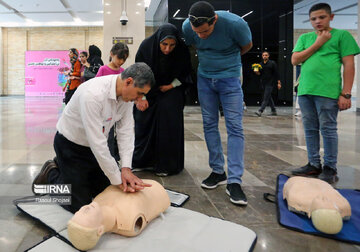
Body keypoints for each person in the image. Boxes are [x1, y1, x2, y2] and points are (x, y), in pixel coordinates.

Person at [32, 63, 155, 213]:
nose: (140, 98)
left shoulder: (127, 96)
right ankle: (51, 173)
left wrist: (126, 168)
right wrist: (117, 179)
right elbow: (98, 143)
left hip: (94, 149)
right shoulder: (93, 95)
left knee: (105, 193)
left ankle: (73, 174)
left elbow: (126, 131)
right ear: (128, 81)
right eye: (140, 93)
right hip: (70, 147)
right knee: (79, 205)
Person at [182, 1, 252, 205]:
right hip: (205, 79)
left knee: (235, 127)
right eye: (198, 32)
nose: (201, 35)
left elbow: (247, 46)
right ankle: (217, 171)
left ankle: (235, 181)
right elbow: (193, 43)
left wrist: (225, 60)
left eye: (205, 31)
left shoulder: (235, 24)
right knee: (209, 124)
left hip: (230, 78)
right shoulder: (188, 26)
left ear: (215, 20)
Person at [291, 3, 360, 183]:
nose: (318, 21)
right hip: (306, 90)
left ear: (331, 17)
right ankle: (313, 164)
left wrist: (346, 93)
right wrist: (318, 43)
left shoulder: (342, 35)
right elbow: (295, 60)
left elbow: (349, 66)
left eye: (322, 17)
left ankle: (330, 167)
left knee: (328, 129)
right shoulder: (306, 37)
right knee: (309, 128)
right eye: (313, 19)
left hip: (328, 91)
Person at [133, 23, 192, 176]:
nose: (167, 49)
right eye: (164, 44)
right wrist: (142, 97)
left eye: (172, 45)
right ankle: (142, 162)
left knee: (168, 120)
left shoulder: (182, 49)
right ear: (158, 40)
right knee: (143, 120)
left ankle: (167, 165)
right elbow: (138, 73)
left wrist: (170, 86)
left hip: (172, 89)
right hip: (148, 89)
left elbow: (186, 74)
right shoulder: (146, 47)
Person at [67, 179, 170, 251]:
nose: (84, 208)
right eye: (85, 214)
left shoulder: (97, 201)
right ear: (100, 230)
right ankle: (51, 173)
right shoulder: (129, 222)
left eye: (78, 212)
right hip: (156, 189)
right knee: (65, 194)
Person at [96, 42, 129, 162]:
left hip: (118, 108)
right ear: (111, 54)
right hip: (105, 109)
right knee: (107, 135)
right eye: (119, 58)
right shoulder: (103, 69)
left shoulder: (123, 72)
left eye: (124, 59)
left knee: (121, 134)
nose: (121, 61)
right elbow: (96, 88)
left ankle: (115, 158)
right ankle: (107, 160)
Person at [254, 51, 281, 116]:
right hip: (263, 83)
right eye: (263, 55)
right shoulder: (260, 64)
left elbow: (276, 73)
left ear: (268, 56)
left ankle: (260, 111)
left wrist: (279, 82)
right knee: (268, 97)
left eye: (266, 55)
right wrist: (256, 72)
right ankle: (273, 110)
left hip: (270, 82)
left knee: (265, 97)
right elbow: (259, 74)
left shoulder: (272, 63)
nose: (264, 56)